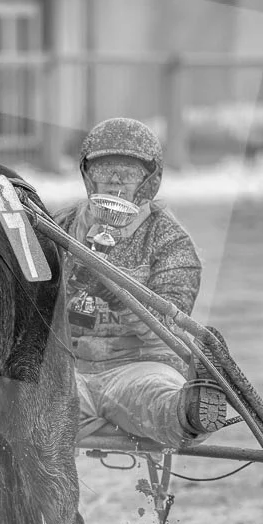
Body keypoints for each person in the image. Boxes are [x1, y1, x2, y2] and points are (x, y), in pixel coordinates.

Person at [56, 118, 229, 448]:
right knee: (26, 398)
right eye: (105, 169)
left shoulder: (171, 242)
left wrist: (115, 292)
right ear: (88, 175)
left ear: (150, 181)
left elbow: (167, 328)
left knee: (156, 396)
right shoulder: (59, 227)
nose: (115, 180)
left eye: (128, 171)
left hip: (139, 367)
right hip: (67, 366)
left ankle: (191, 412)